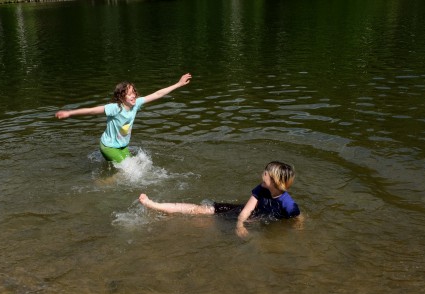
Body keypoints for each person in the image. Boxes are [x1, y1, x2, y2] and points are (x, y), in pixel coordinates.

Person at [139, 161, 302, 237]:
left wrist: (297, 228)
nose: (263, 173)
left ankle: (167, 217)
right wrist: (240, 224)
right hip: (242, 215)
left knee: (202, 222)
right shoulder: (261, 188)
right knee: (201, 210)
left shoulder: (287, 204)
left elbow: (298, 218)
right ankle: (155, 205)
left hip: (257, 221)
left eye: (266, 172)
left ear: (274, 180)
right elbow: (247, 209)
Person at [55, 73, 192, 163]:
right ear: (121, 97)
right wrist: (70, 113)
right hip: (109, 147)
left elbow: (157, 94)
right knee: (129, 169)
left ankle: (106, 176)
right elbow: (92, 110)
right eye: (129, 94)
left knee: (135, 163)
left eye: (134, 93)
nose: (133, 96)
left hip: (122, 146)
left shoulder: (136, 104)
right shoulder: (115, 108)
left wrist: (178, 84)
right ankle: (105, 182)